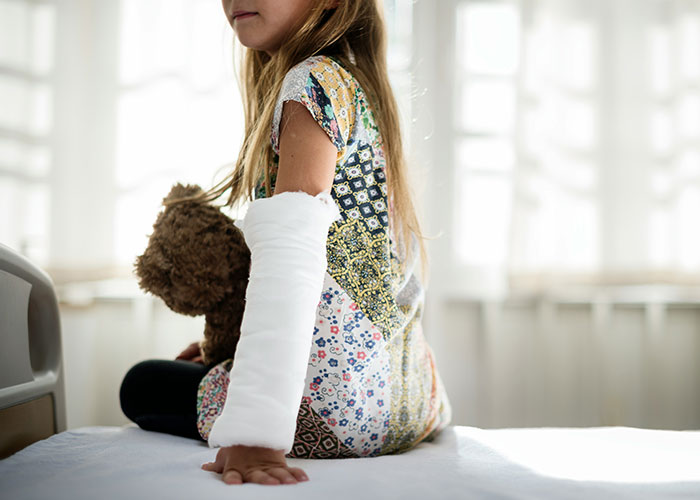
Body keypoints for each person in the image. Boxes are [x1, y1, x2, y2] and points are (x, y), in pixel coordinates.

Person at [119, 0, 452, 487]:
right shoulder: (356, 86)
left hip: (329, 413)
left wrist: (256, 431)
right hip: (405, 405)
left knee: (142, 385)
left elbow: (289, 260)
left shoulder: (309, 82)